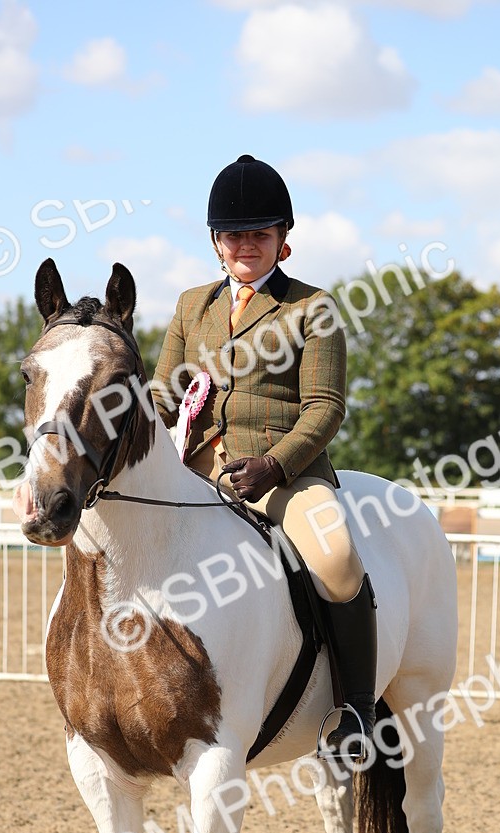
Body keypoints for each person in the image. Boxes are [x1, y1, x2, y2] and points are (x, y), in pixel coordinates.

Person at [152, 153, 377, 758]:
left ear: (283, 240)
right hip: (197, 471)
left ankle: (356, 709)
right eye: (234, 234)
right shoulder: (190, 306)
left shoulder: (312, 307)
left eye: (260, 233)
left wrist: (273, 466)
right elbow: (163, 393)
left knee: (336, 561)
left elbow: (325, 408)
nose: (246, 244)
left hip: (285, 473)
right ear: (216, 243)